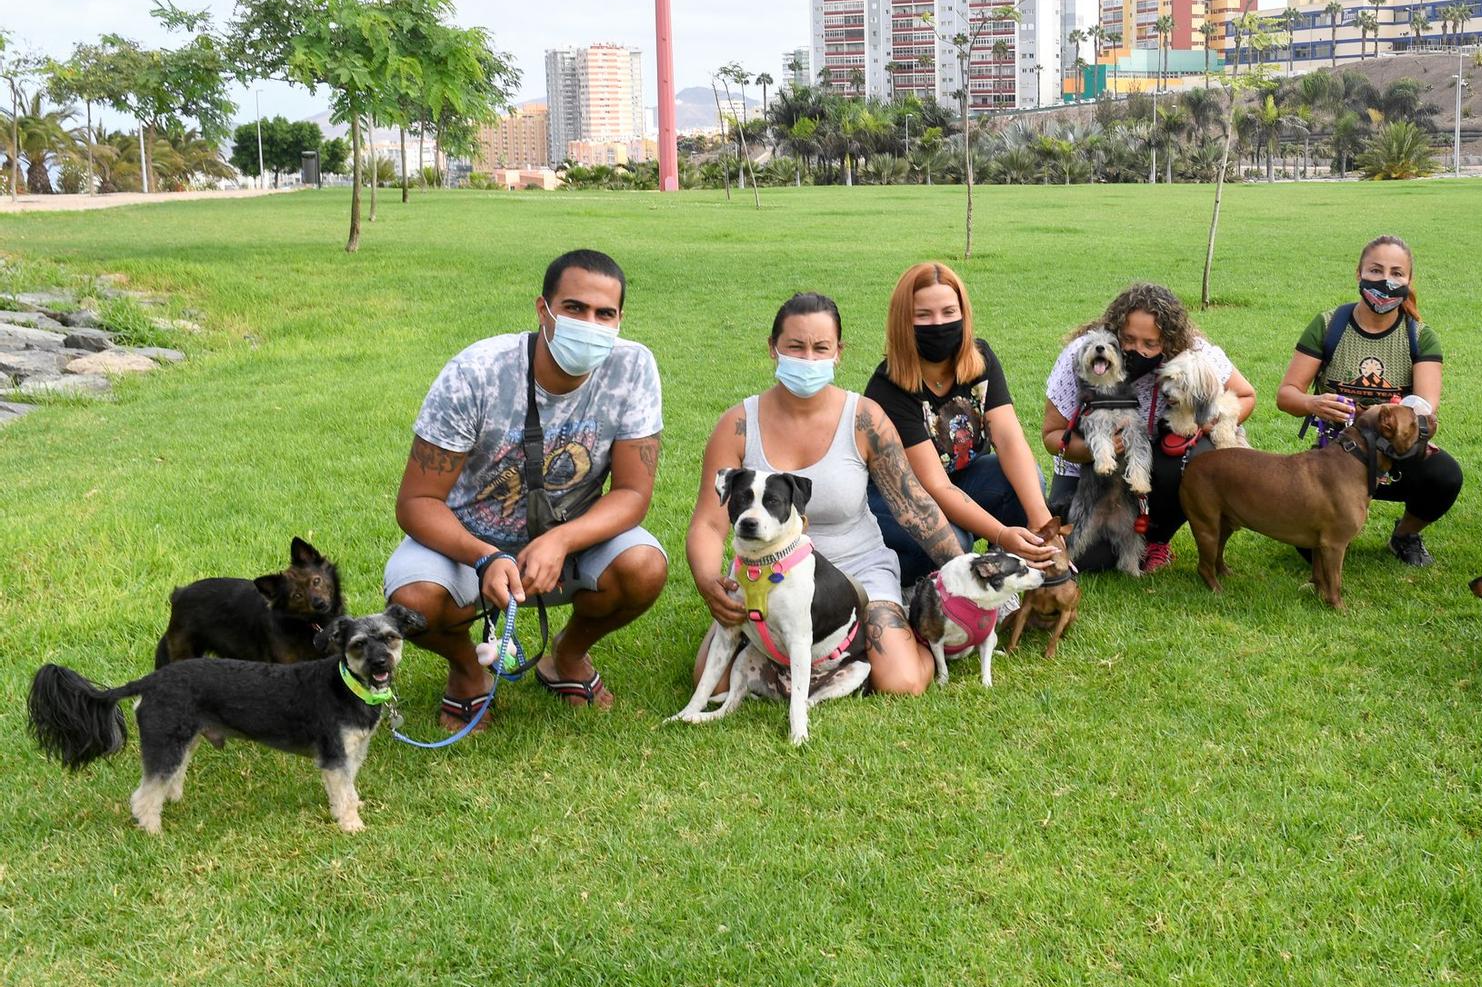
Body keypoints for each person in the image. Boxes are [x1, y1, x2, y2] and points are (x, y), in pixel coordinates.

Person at [386, 249, 668, 733]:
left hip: (571, 537)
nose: (590, 323)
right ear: (544, 310)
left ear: (621, 319)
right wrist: (484, 557)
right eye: (575, 308)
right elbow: (416, 503)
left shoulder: (633, 367)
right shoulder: (475, 372)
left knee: (644, 568)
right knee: (414, 601)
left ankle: (565, 656)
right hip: (468, 542)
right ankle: (467, 671)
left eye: (605, 314)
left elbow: (633, 494)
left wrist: (562, 540)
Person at [686, 292, 969, 695]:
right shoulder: (738, 424)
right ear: (773, 349)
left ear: (839, 352)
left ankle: (897, 626)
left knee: (903, 682)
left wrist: (964, 577)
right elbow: (709, 524)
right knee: (708, 684)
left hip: (856, 571)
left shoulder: (864, 418)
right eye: (795, 347)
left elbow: (915, 508)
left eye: (821, 348)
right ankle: (816, 658)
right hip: (766, 576)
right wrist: (708, 581)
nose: (808, 358)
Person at [863, 262, 1059, 587]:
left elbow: (1009, 441)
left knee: (1027, 485)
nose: (938, 323)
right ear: (903, 321)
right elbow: (934, 487)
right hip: (898, 497)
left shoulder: (980, 359)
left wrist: (1042, 521)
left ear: (963, 313)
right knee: (952, 538)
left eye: (948, 311)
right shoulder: (889, 386)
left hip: (960, 477)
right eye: (922, 315)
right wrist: (1000, 533)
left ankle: (1009, 570)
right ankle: (913, 584)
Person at [1039, 282, 1256, 574]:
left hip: (1156, 461)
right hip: (1088, 470)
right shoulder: (1086, 353)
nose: (1136, 350)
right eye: (1128, 339)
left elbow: (1246, 395)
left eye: (1150, 344)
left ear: (1169, 340)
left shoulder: (1193, 353)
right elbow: (1052, 436)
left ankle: (1157, 539)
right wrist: (1096, 449)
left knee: (1198, 457)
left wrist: (1210, 424)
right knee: (1093, 560)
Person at [1274, 234, 1460, 567]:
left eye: (1397, 273)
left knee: (1444, 475)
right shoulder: (1329, 325)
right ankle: (1326, 523)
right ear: (1358, 273)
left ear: (1409, 280)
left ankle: (1405, 535)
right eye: (1375, 270)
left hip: (1395, 455)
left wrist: (1391, 415)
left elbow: (1426, 409)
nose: (1386, 281)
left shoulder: (1419, 334)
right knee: (1309, 549)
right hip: (1336, 453)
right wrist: (1313, 404)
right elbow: (1286, 395)